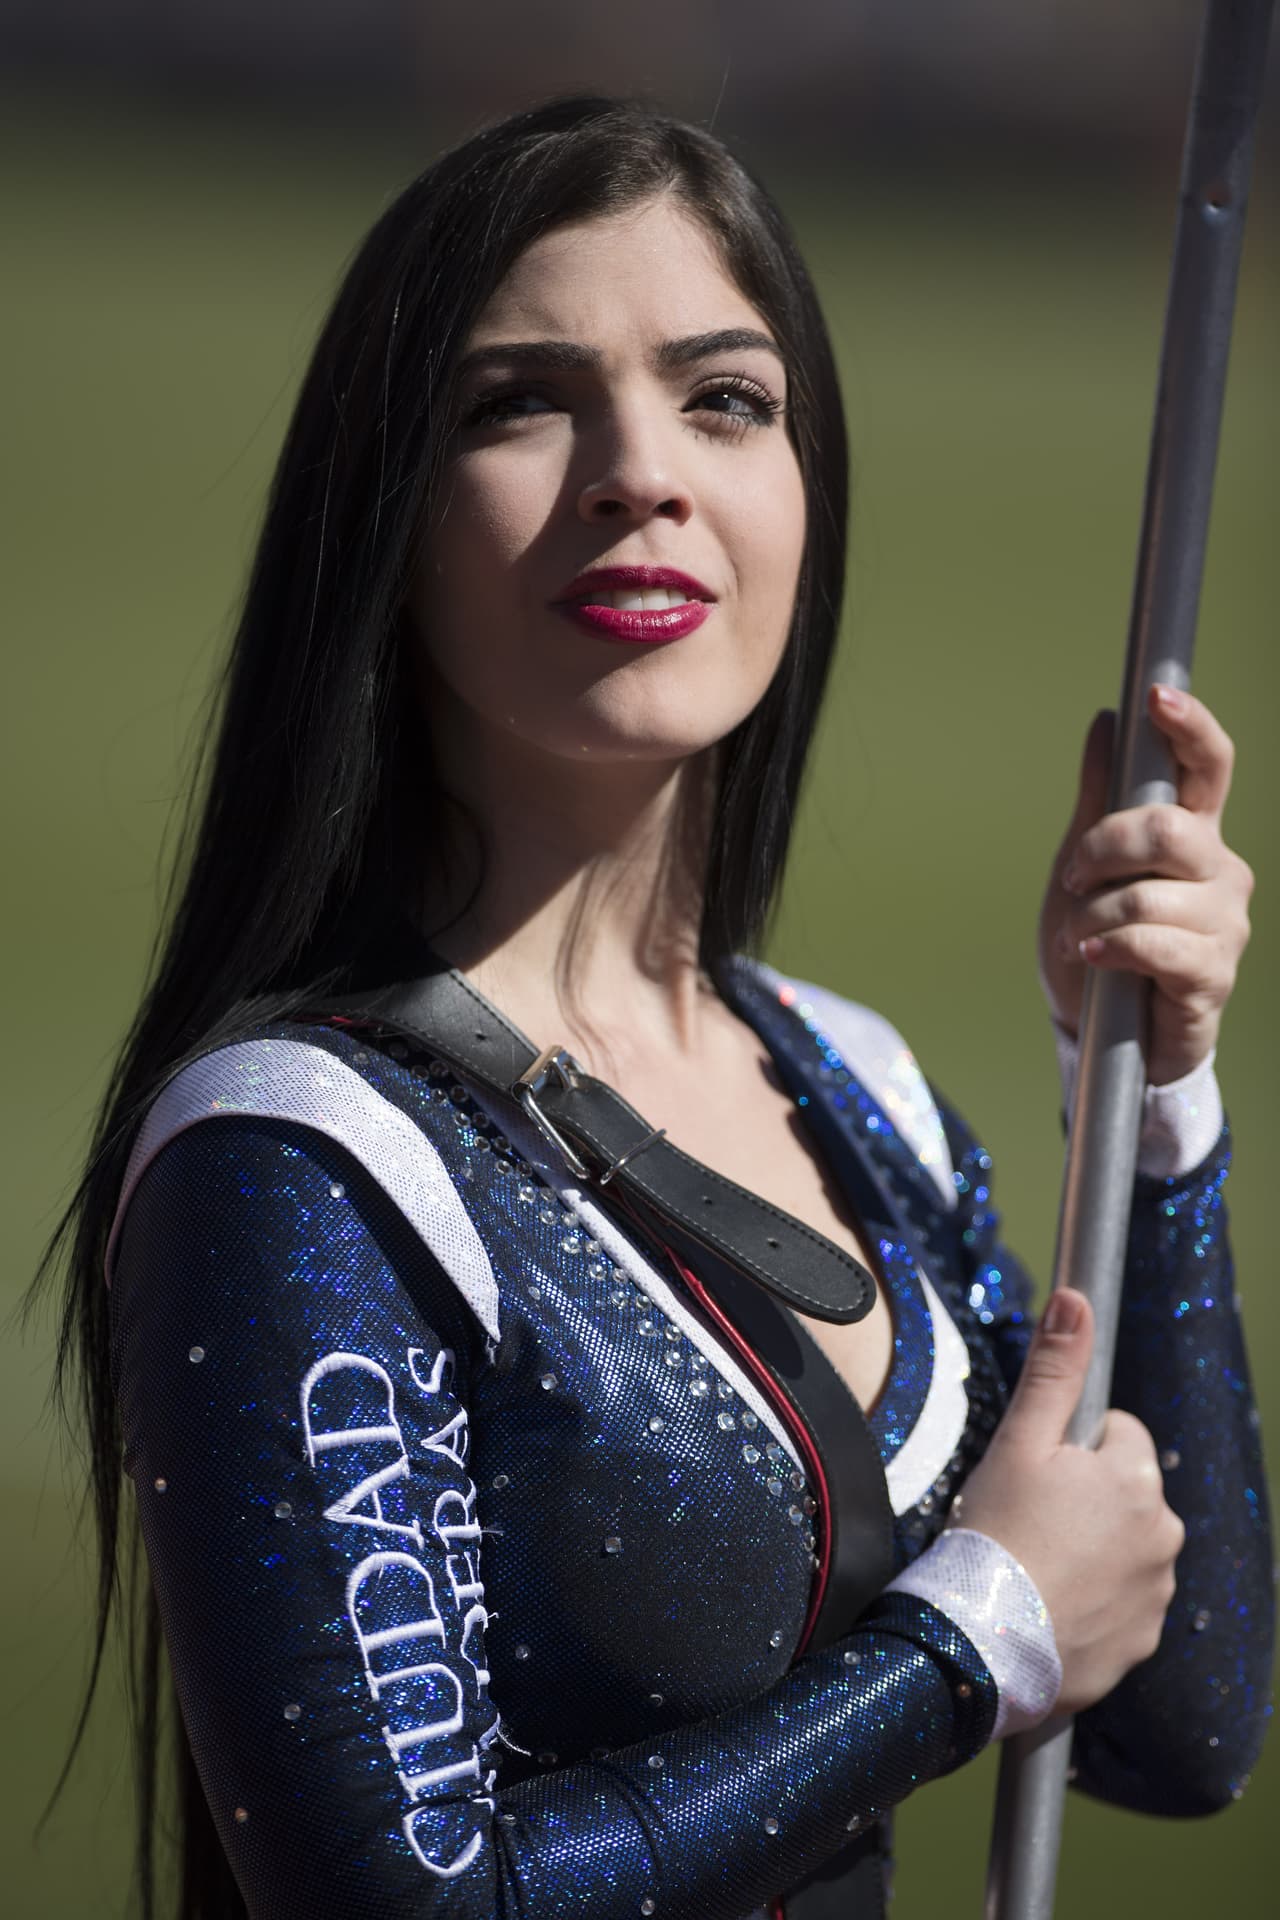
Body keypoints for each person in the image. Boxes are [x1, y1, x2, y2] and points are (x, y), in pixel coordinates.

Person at [46, 97, 1270, 1920]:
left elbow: (1183, 1720)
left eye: (725, 398)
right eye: (520, 400)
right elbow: (404, 1900)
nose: (643, 469)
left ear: (804, 492)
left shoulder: (856, 1086)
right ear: (383, 518)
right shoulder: (296, 1153)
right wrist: (964, 1644)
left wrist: (1153, 1112)